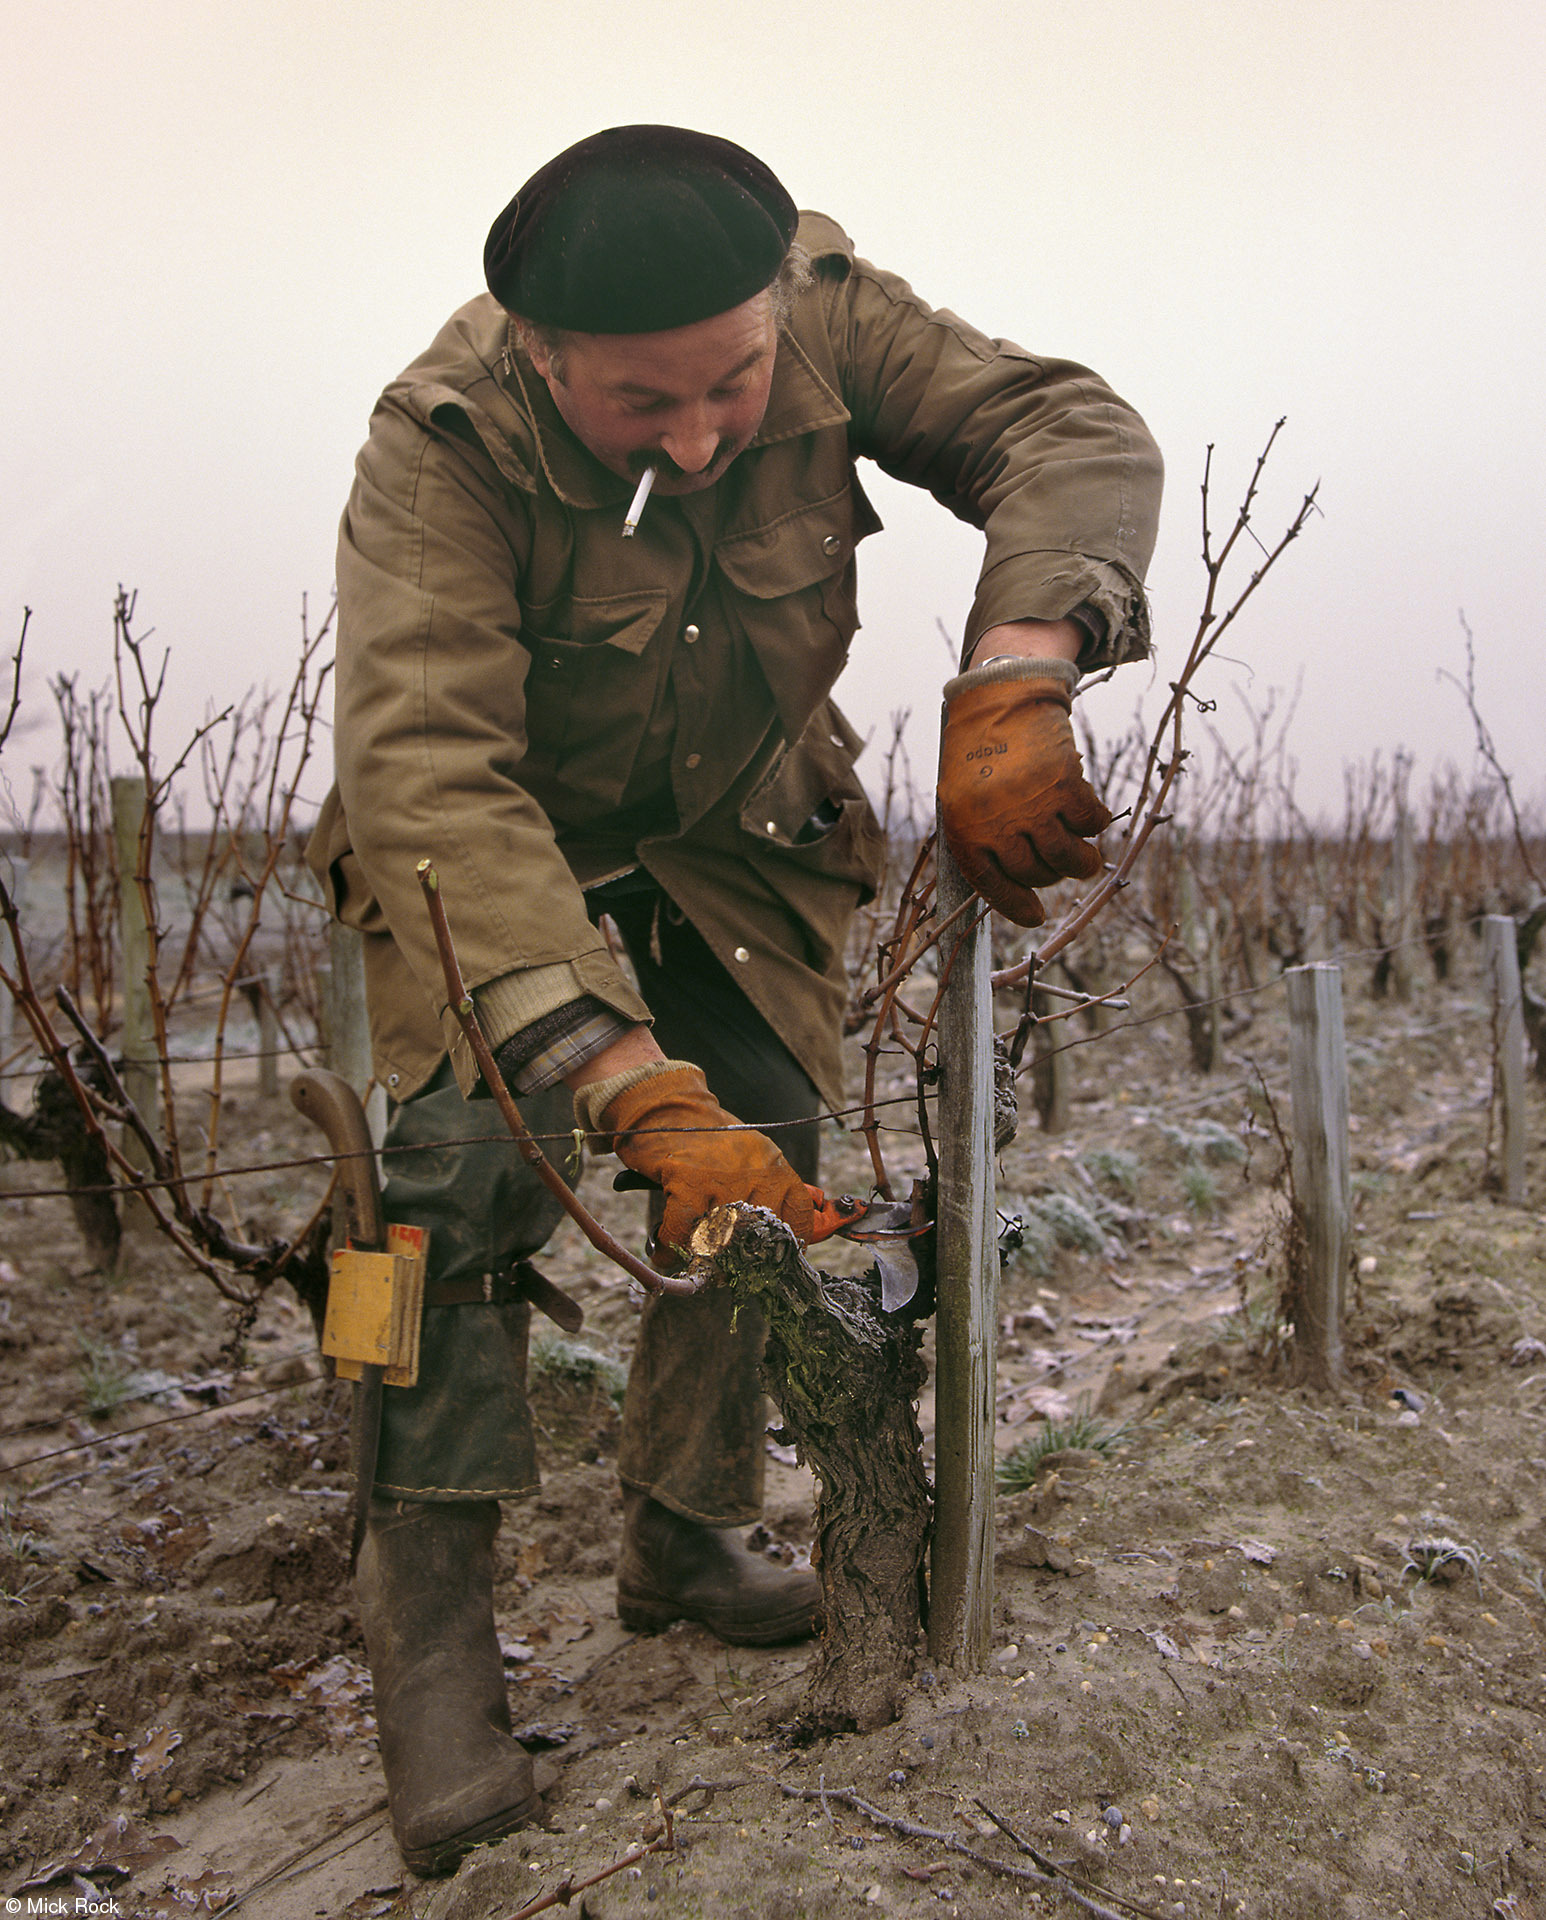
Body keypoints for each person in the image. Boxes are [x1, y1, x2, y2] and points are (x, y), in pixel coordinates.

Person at [309, 123, 1162, 1874]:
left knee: (759, 1153)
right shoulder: (438, 448)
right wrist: (616, 1070)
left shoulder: (828, 314)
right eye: (643, 409)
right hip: (489, 850)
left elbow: (1063, 430)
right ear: (540, 357)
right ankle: (424, 1616)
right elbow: (431, 775)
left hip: (741, 821)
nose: (699, 438)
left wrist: (1019, 669)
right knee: (431, 1214)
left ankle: (686, 1532)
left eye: (731, 388)